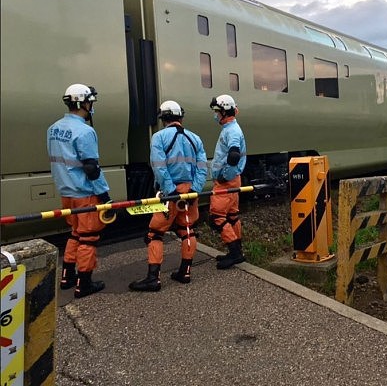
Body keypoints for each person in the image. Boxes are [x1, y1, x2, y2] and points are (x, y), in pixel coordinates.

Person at [129, 101, 207, 292]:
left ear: (163, 118)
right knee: (188, 230)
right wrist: (193, 190)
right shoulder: (195, 138)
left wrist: (171, 191)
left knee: (154, 233)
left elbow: (159, 166)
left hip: (169, 194)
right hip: (190, 192)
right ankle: (185, 272)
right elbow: (203, 167)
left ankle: (153, 278)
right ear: (181, 116)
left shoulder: (158, 137)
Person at [47, 83, 110, 298]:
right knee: (88, 239)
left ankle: (67, 276)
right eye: (90, 102)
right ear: (83, 102)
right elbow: (92, 169)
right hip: (85, 195)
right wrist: (105, 196)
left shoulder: (53, 129)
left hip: (66, 194)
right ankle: (84, 284)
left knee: (74, 234)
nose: (91, 106)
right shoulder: (84, 130)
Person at [209, 95, 247, 269]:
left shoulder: (231, 131)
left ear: (225, 112)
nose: (215, 115)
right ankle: (237, 251)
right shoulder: (232, 128)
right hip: (233, 180)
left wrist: (225, 175)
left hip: (227, 181)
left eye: (217, 112)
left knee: (217, 217)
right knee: (232, 216)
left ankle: (234, 253)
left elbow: (233, 155)